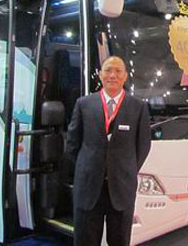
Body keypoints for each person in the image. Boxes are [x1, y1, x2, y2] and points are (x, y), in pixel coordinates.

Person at [66, 56, 151, 246]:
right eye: (108, 70)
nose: (113, 75)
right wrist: (88, 167)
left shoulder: (138, 107)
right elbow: (72, 144)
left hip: (122, 188)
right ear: (100, 75)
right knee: (85, 240)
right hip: (88, 187)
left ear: (125, 76)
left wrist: (125, 168)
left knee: (119, 240)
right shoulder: (83, 104)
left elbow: (143, 146)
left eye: (118, 71)